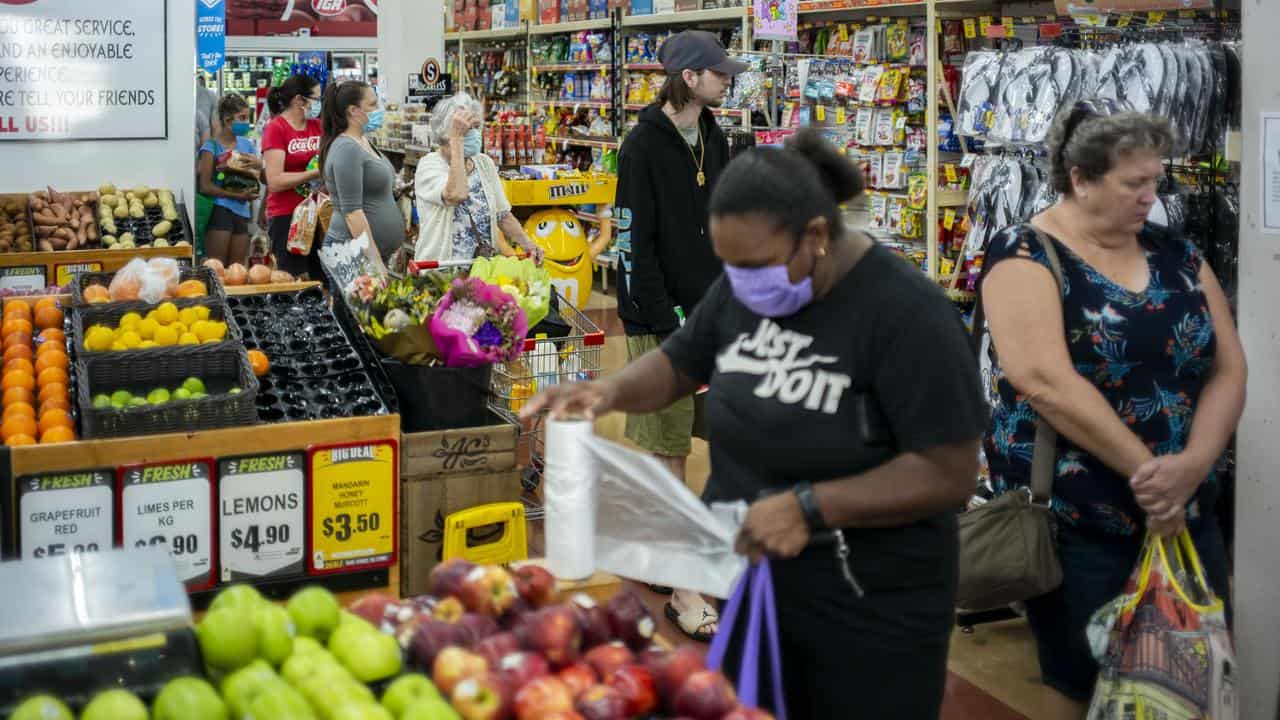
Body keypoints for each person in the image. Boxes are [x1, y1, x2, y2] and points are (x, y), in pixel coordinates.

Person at [522, 129, 988, 717]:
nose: (739, 281)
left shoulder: (906, 314)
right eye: (728, 264)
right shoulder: (747, 284)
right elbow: (679, 363)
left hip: (869, 610)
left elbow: (949, 472)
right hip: (752, 585)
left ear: (815, 236)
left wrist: (809, 507)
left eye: (752, 265)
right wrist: (606, 391)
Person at [979, 102, 1247, 719]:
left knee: (1189, 668)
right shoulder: (1025, 253)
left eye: (1157, 180)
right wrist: (1150, 475)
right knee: (1079, 678)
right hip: (1081, 519)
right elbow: (1043, 380)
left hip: (1186, 507)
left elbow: (1228, 368)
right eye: (1134, 183)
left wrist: (1191, 467)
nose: (1150, 197)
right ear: (1081, 177)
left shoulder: (1175, 253)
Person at [612, 29, 745, 641]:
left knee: (723, 433)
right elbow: (631, 239)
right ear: (689, 78)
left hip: (714, 307)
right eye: (720, 73)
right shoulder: (641, 145)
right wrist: (662, 316)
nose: (730, 80)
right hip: (661, 316)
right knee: (669, 448)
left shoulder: (715, 135)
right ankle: (683, 585)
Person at [414, 93, 543, 265]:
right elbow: (456, 194)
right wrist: (457, 140)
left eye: (477, 126)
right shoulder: (429, 165)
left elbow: (503, 215)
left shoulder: (483, 163)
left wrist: (528, 245)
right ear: (446, 134)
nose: (475, 134)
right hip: (441, 270)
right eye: (469, 128)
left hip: (482, 268)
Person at [318, 81, 402, 270]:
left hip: (366, 255)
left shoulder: (363, 140)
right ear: (353, 110)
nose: (378, 109)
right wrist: (376, 264)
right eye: (372, 105)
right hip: (352, 255)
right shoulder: (347, 148)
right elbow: (352, 213)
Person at [262, 75, 324, 279]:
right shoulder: (276, 128)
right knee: (292, 279)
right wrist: (314, 173)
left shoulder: (317, 126)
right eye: (316, 98)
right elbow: (275, 181)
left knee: (319, 279)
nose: (319, 104)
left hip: (320, 213)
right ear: (299, 100)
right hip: (288, 216)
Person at [198, 94, 261, 267]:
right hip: (220, 211)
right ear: (227, 120)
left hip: (243, 214)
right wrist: (234, 195)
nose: (246, 122)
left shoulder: (247, 145)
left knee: (237, 270)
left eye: (248, 117)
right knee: (217, 269)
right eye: (242, 118)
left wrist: (260, 164)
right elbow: (205, 187)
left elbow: (263, 180)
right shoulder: (211, 147)